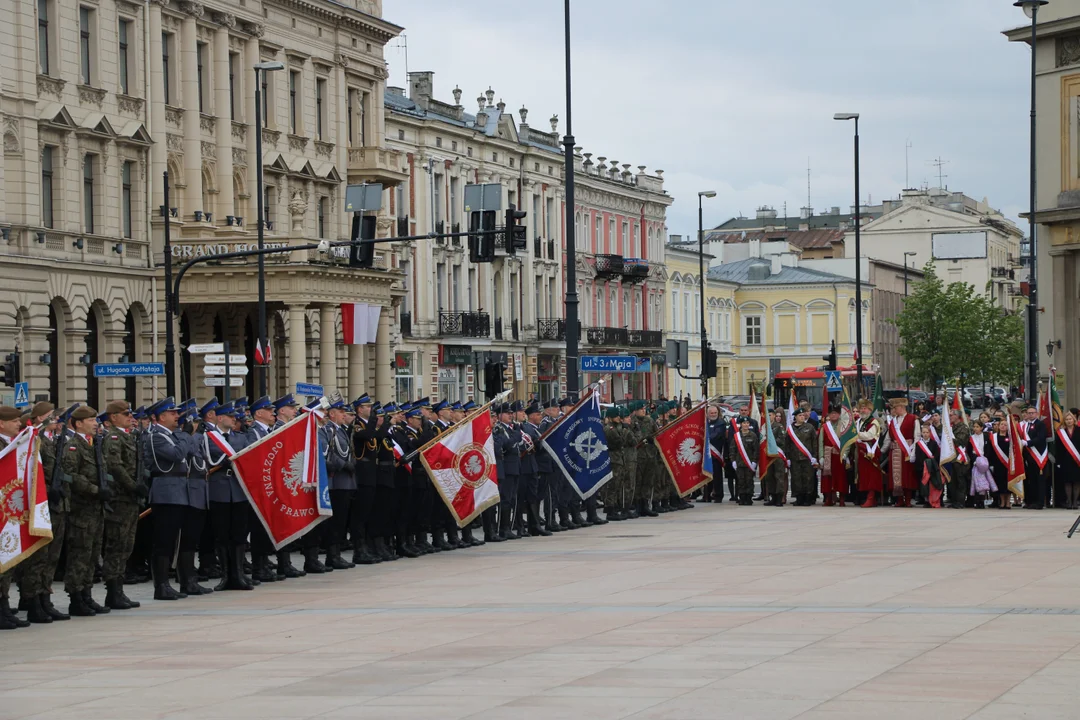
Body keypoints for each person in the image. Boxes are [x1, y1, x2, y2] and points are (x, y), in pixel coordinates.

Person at [60, 406, 111, 616]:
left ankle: (87, 594)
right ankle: (76, 597)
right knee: (79, 554)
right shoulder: (73, 446)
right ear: (78, 423)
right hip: (82, 509)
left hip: (96, 509)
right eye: (90, 420)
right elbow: (72, 476)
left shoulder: (93, 445)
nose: (95, 423)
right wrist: (95, 490)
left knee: (92, 555)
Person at [100, 400, 144, 610]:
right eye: (125, 414)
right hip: (120, 498)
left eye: (130, 413)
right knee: (116, 546)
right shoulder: (113, 437)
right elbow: (115, 466)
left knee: (127, 545)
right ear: (113, 417)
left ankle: (119, 589)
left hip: (129, 499)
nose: (130, 417)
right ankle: (113, 592)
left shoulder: (128, 436)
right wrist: (133, 486)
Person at [882, 398, 919, 508]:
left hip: (907, 451)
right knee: (896, 477)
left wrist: (914, 452)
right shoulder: (893, 421)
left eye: (895, 408)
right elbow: (888, 439)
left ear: (902, 408)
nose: (894, 410)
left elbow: (917, 436)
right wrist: (882, 450)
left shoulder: (913, 419)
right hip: (895, 453)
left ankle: (907, 500)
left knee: (907, 476)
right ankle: (899, 500)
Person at [1020, 405, 1049, 510]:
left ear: (1036, 414)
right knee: (1031, 480)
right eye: (1029, 413)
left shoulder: (1040, 424)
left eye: (1033, 413)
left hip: (1039, 456)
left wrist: (1028, 442)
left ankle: (1040, 502)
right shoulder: (1025, 425)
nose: (1031, 414)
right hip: (1029, 457)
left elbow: (1041, 438)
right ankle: (1031, 501)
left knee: (1039, 480)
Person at [855, 399, 883, 507]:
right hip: (861, 451)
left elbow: (869, 436)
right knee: (864, 476)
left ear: (870, 410)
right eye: (861, 408)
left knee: (872, 476)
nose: (862, 410)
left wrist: (856, 435)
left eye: (865, 408)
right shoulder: (858, 422)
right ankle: (867, 497)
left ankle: (871, 498)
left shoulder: (873, 422)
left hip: (871, 451)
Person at [788, 407, 818, 506]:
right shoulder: (790, 429)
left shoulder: (809, 427)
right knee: (796, 478)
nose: (802, 417)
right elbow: (787, 444)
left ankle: (808, 498)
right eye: (799, 416)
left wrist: (814, 456)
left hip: (807, 458)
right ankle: (799, 498)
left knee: (808, 478)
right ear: (795, 417)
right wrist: (787, 457)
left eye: (803, 415)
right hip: (795, 458)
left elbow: (814, 442)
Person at [820, 405, 847, 507]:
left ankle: (842, 499)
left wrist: (845, 453)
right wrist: (821, 456)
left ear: (839, 414)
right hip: (827, 455)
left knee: (840, 477)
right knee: (828, 478)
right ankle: (829, 498)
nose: (833, 415)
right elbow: (821, 442)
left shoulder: (843, 426)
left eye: (835, 413)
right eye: (831, 413)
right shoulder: (825, 427)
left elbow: (847, 441)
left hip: (839, 454)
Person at [1055, 412, 1080, 510]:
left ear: (1074, 420)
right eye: (1067, 419)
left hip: (1077, 460)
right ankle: (1069, 501)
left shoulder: (1079, 431)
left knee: (1077, 481)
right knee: (1067, 482)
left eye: (1070, 419)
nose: (1069, 421)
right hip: (1065, 460)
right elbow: (1058, 448)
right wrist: (1058, 462)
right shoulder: (1061, 432)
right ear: (1064, 421)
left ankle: (1075, 502)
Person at [732, 417, 759, 505]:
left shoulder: (753, 435)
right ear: (740, 424)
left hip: (749, 463)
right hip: (739, 462)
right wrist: (733, 461)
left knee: (749, 481)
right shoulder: (737, 436)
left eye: (747, 423)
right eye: (744, 423)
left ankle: (749, 497)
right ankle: (742, 497)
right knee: (741, 481)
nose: (746, 425)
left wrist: (755, 461)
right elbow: (732, 449)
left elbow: (756, 450)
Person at [763, 410, 787, 507]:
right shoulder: (764, 427)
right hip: (768, 455)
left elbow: (782, 440)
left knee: (778, 476)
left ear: (773, 416)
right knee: (769, 477)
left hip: (777, 455)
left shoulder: (778, 426)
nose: (769, 417)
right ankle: (772, 497)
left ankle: (779, 498)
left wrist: (770, 440)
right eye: (767, 415)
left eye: (770, 415)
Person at [948, 410, 971, 509]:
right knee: (952, 481)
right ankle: (954, 501)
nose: (950, 416)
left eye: (952, 415)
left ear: (957, 416)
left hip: (960, 457)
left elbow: (961, 441)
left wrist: (948, 438)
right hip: (952, 457)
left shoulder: (963, 427)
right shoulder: (951, 427)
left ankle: (961, 501)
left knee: (960, 480)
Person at [988, 418, 1012, 509]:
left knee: (1008, 482)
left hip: (1008, 463)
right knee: (1000, 482)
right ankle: (1002, 502)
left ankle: (1008, 502)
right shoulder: (993, 437)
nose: (1003, 426)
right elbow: (990, 451)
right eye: (1002, 424)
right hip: (997, 463)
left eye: (1005, 425)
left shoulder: (1011, 437)